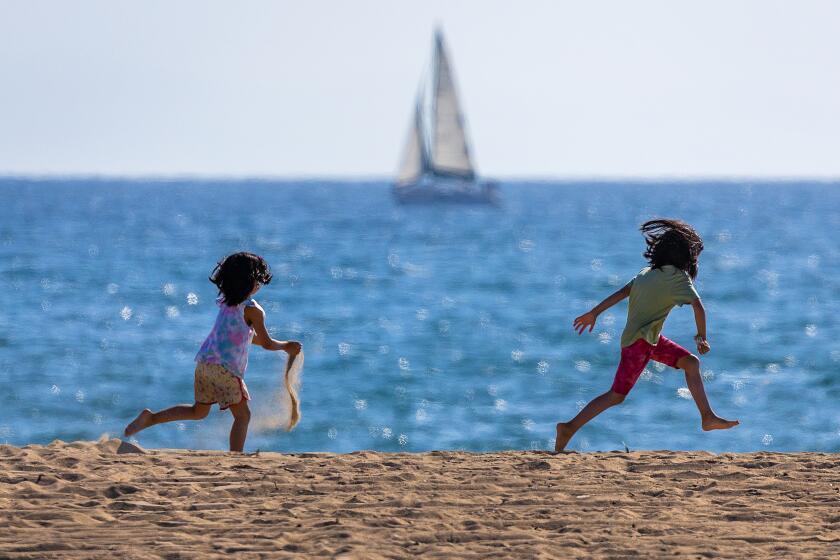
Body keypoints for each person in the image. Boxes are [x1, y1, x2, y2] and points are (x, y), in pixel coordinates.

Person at [555, 219, 738, 452]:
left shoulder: (646, 273)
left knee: (691, 363)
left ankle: (707, 417)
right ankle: (569, 427)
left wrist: (594, 313)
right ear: (684, 257)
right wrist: (702, 336)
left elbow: (622, 292)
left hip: (647, 340)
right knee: (616, 395)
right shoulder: (678, 278)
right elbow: (698, 306)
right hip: (639, 344)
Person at [124, 252, 301, 452]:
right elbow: (267, 343)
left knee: (198, 411)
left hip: (205, 364)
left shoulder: (227, 302)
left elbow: (247, 338)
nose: (260, 283)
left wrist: (284, 346)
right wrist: (286, 345)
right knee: (243, 416)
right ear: (250, 281)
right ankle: (236, 456)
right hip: (225, 369)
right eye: (258, 279)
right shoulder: (253, 310)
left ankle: (151, 418)